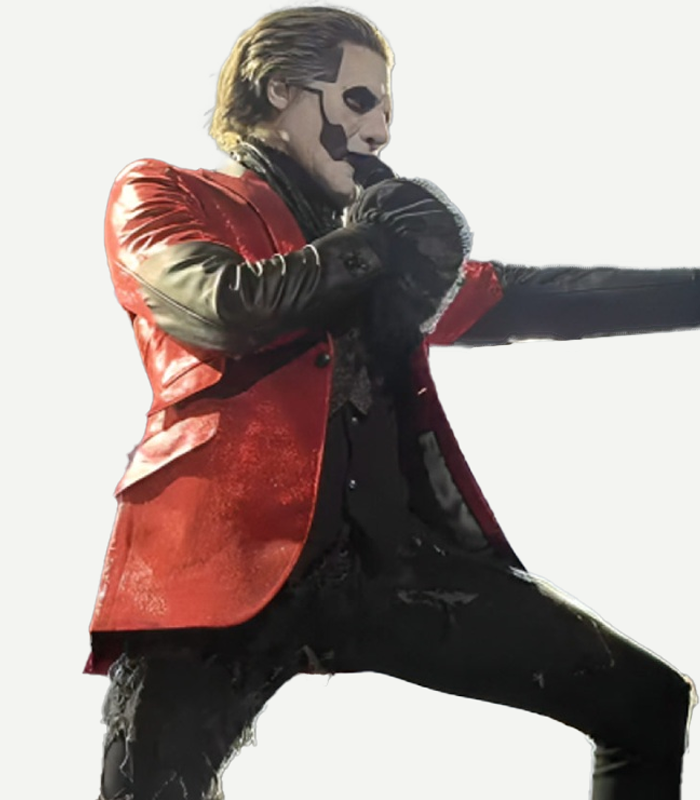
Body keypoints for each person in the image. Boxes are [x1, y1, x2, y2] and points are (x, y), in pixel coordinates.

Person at [87, 6, 698, 799]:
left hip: (383, 567)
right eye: (359, 100)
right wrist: (374, 245)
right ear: (279, 90)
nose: (380, 130)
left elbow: (524, 297)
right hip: (220, 560)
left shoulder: (381, 244)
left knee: (648, 704)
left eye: (385, 107)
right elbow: (224, 307)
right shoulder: (163, 192)